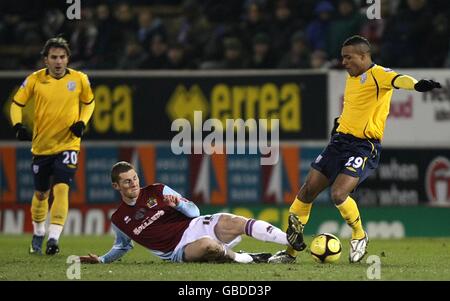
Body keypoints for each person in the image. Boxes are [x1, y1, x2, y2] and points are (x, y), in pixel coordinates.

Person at [269, 35, 442, 264]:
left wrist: (418, 85)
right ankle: (290, 252)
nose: (344, 62)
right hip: (339, 142)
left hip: (363, 146)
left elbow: (398, 79)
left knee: (339, 194)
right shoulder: (352, 78)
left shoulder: (377, 74)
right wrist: (339, 122)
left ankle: (359, 235)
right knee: (307, 191)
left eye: (348, 58)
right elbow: (355, 107)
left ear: (363, 56)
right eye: (342, 58)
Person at [78, 161, 304, 264]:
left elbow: (194, 211)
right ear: (116, 186)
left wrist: (178, 205)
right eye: (127, 182)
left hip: (193, 225)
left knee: (232, 220)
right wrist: (102, 260)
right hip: (178, 250)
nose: (133, 184)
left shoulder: (157, 190)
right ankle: (247, 259)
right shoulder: (119, 219)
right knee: (207, 245)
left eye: (135, 178)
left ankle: (290, 240)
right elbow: (122, 246)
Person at [10, 37, 95, 255]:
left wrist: (81, 123)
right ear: (45, 60)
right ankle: (39, 232)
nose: (58, 62)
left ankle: (53, 239)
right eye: (54, 57)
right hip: (42, 147)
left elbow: (89, 103)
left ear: (68, 58)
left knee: (61, 188)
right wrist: (18, 125)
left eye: (62, 57)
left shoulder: (80, 79)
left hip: (68, 144)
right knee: (41, 194)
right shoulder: (34, 80)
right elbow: (16, 104)